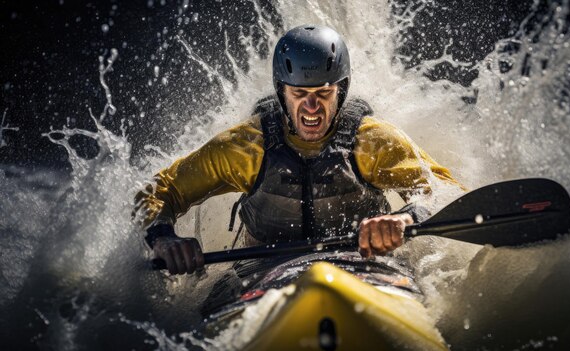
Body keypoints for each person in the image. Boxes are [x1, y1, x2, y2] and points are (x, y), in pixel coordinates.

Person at [133, 25, 462, 276]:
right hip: (262, 274)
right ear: (281, 91)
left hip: (364, 268)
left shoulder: (373, 142)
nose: (311, 107)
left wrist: (407, 216)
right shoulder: (246, 148)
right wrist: (164, 237)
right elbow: (161, 190)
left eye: (323, 92)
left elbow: (443, 189)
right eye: (299, 93)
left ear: (341, 90)